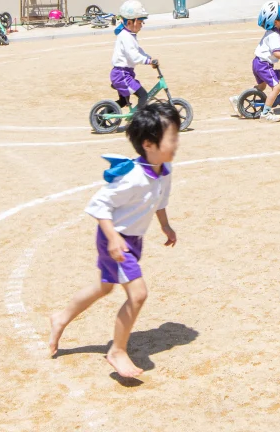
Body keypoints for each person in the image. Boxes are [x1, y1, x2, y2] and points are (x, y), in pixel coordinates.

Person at [46, 102, 180, 377]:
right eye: (171, 137)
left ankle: (60, 318)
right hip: (116, 240)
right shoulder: (131, 177)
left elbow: (159, 201)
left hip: (133, 240)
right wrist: (113, 239)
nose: (176, 142)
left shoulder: (163, 170)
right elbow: (99, 206)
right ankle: (117, 351)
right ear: (148, 144)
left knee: (104, 287)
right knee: (138, 294)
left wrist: (165, 225)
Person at [248, 1, 280, 121]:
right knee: (276, 88)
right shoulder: (273, 36)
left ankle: (241, 98)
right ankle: (265, 114)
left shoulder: (273, 33)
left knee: (261, 86)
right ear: (276, 22)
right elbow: (276, 53)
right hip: (264, 65)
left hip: (258, 62)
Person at [109, 0, 155, 108]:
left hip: (124, 73)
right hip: (122, 75)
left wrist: (149, 58)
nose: (141, 26)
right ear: (129, 22)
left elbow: (138, 50)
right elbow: (133, 55)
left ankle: (103, 113)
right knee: (143, 95)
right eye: (139, 23)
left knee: (123, 102)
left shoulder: (129, 35)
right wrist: (148, 61)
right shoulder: (125, 36)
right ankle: (137, 119)